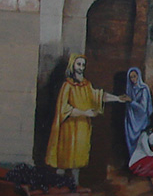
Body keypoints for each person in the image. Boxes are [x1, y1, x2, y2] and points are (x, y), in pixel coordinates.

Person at [45, 53, 130, 183]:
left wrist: (117, 98)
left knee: (78, 160)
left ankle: (74, 187)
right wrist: (85, 113)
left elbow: (97, 96)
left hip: (82, 127)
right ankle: (59, 186)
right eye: (78, 64)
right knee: (65, 159)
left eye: (83, 65)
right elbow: (64, 109)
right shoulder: (67, 86)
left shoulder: (86, 85)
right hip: (69, 128)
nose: (81, 68)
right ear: (72, 65)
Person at [123, 67, 153, 156]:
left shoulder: (144, 89)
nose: (133, 79)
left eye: (135, 76)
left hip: (142, 121)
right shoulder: (130, 89)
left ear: (139, 76)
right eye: (131, 77)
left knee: (141, 143)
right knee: (131, 143)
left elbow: (143, 108)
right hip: (131, 121)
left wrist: (131, 101)